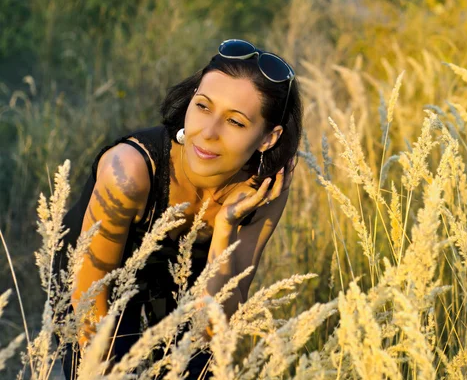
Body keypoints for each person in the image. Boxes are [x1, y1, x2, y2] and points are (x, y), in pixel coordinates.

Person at [52, 39, 302, 379]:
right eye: (202, 106)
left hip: (186, 283)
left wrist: (226, 227)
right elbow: (90, 309)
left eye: (236, 122)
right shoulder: (128, 172)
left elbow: (216, 329)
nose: (207, 133)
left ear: (268, 139)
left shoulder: (265, 187)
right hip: (97, 280)